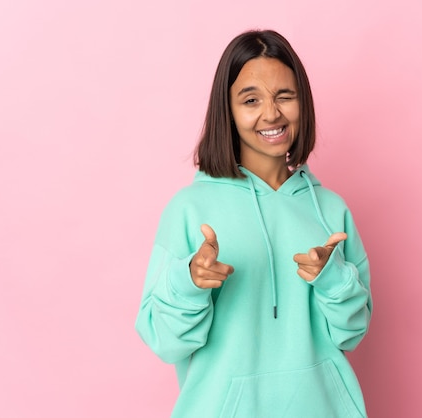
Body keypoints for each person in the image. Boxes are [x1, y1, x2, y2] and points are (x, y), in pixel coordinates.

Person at [135, 29, 372, 418]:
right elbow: (164, 342)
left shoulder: (330, 211)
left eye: (285, 96)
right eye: (251, 100)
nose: (271, 113)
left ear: (303, 103)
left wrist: (332, 280)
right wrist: (190, 283)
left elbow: (352, 333)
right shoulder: (190, 209)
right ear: (226, 110)